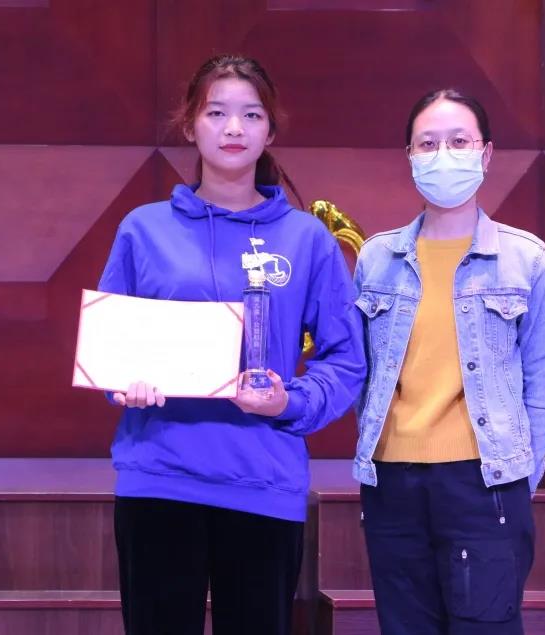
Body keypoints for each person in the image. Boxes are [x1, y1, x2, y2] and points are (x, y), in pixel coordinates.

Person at [97, 54, 366, 635]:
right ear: (190, 125)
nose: (234, 128)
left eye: (251, 114)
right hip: (160, 476)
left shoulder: (307, 238)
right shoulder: (143, 229)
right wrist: (124, 383)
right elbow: (112, 349)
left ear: (271, 130)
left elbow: (345, 361)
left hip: (263, 482)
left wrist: (289, 400)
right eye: (216, 113)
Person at [352, 88, 545, 635]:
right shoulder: (376, 258)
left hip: (485, 481)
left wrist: (519, 477)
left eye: (459, 141)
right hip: (391, 483)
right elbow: (362, 375)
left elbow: (544, 388)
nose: (443, 155)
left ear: (486, 154)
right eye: (427, 144)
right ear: (409, 156)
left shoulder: (527, 260)